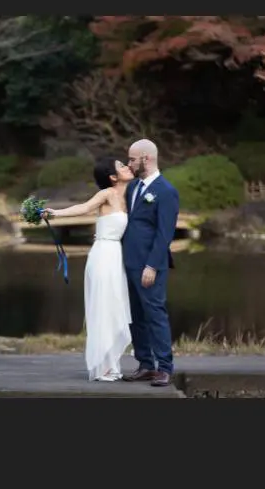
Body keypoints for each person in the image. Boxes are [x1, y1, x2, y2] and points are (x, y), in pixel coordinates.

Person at [42, 157, 135, 381]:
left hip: (118, 256)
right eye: (121, 166)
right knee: (104, 306)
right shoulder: (107, 194)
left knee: (116, 306)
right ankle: (103, 365)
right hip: (103, 254)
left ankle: (112, 362)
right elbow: (84, 208)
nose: (127, 167)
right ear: (113, 177)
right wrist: (55, 213)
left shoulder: (131, 195)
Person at [120, 139, 180, 387]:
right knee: (135, 315)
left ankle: (164, 367)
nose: (129, 164)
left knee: (155, 314)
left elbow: (164, 233)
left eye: (132, 159)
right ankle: (145, 364)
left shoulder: (166, 191)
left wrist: (152, 265)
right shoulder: (133, 187)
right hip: (129, 261)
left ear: (147, 158)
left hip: (149, 264)